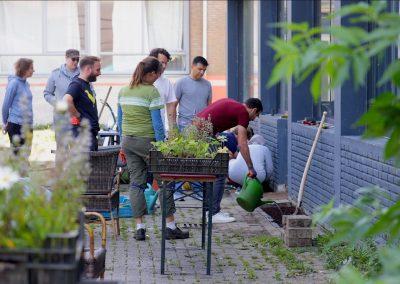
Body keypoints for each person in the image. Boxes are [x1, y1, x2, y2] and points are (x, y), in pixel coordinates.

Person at [118, 56, 189, 241]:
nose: (159, 77)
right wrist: (161, 147)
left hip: (128, 141)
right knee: (165, 181)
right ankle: (170, 227)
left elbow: (120, 121)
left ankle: (139, 228)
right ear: (150, 74)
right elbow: (158, 125)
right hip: (147, 142)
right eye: (158, 73)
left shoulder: (123, 91)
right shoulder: (151, 92)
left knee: (136, 183)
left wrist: (121, 144)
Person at [196, 98, 263, 223]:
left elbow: (214, 118)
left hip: (200, 132)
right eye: (256, 115)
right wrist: (250, 167)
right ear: (253, 110)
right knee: (219, 173)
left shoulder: (236, 107)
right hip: (203, 134)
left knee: (211, 173)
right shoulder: (243, 113)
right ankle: (213, 213)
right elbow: (242, 143)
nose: (254, 119)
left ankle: (208, 211)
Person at [44, 49, 80, 147]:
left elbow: (91, 92)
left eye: (78, 59)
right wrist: (57, 103)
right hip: (61, 118)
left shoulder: (82, 74)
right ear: (66, 59)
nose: (76, 62)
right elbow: (47, 93)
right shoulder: (55, 74)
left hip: (77, 117)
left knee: (77, 151)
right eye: (73, 59)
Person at [64, 56, 101, 151]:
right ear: (88, 69)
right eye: (98, 70)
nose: (100, 73)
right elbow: (67, 100)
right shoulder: (77, 84)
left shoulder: (86, 85)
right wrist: (77, 115)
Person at [2, 58, 35, 155]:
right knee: (17, 156)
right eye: (31, 68)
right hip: (16, 125)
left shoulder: (26, 84)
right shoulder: (13, 84)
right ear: (24, 70)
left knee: (26, 154)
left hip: (28, 125)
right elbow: (5, 105)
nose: (33, 70)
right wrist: (5, 122)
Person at [175, 56, 212, 130]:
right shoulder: (181, 82)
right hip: (184, 126)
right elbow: (173, 106)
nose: (202, 72)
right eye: (200, 69)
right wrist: (173, 127)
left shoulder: (207, 84)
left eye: (204, 70)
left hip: (202, 127)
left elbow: (209, 107)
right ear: (192, 66)